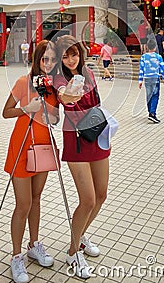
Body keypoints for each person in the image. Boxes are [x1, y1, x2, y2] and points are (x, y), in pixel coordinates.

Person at [54, 35, 110, 279]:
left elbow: (97, 102)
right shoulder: (59, 78)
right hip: (75, 140)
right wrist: (67, 95)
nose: (70, 60)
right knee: (86, 199)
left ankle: (82, 235)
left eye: (73, 54)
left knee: (101, 195)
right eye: (65, 56)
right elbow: (63, 96)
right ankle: (72, 251)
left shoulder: (88, 72)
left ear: (80, 53)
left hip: (96, 134)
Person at [3, 40, 59, 283]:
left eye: (52, 59)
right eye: (44, 59)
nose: (48, 64)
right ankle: (16, 256)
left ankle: (34, 244)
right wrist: (26, 108)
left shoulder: (53, 86)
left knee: (36, 199)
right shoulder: (23, 82)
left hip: (44, 146)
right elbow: (6, 112)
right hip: (22, 146)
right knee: (23, 204)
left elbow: (56, 118)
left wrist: (49, 108)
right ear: (36, 59)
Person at [138, 38, 164, 123]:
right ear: (155, 47)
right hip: (155, 78)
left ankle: (150, 111)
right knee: (155, 95)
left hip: (147, 78)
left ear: (147, 47)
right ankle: (152, 113)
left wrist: (140, 80)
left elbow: (141, 69)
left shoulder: (143, 57)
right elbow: (163, 68)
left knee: (149, 95)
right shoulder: (158, 57)